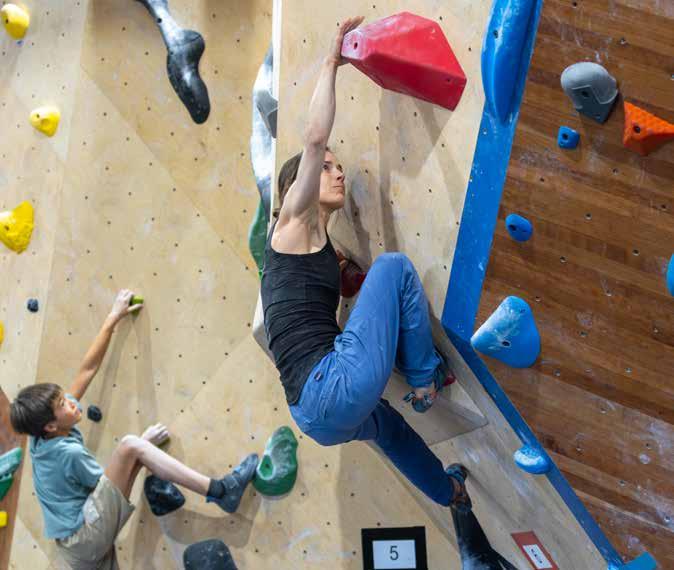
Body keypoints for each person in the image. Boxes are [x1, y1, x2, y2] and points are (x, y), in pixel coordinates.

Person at [260, 18, 470, 511]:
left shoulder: (308, 245)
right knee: (393, 267)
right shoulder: (291, 223)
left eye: (337, 166)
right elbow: (314, 139)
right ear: (296, 187)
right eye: (326, 168)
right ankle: (425, 380)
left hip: (313, 418)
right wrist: (331, 63)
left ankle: (452, 494)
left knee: (390, 430)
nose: (337, 172)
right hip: (330, 386)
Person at [10, 290, 258, 570]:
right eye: (62, 404)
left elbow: (86, 370)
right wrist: (139, 447)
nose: (70, 402)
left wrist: (113, 317)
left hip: (78, 548)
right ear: (51, 425)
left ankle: (164, 464)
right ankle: (222, 491)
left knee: (134, 451)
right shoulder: (65, 454)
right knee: (129, 446)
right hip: (84, 537)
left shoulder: (43, 431)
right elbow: (108, 486)